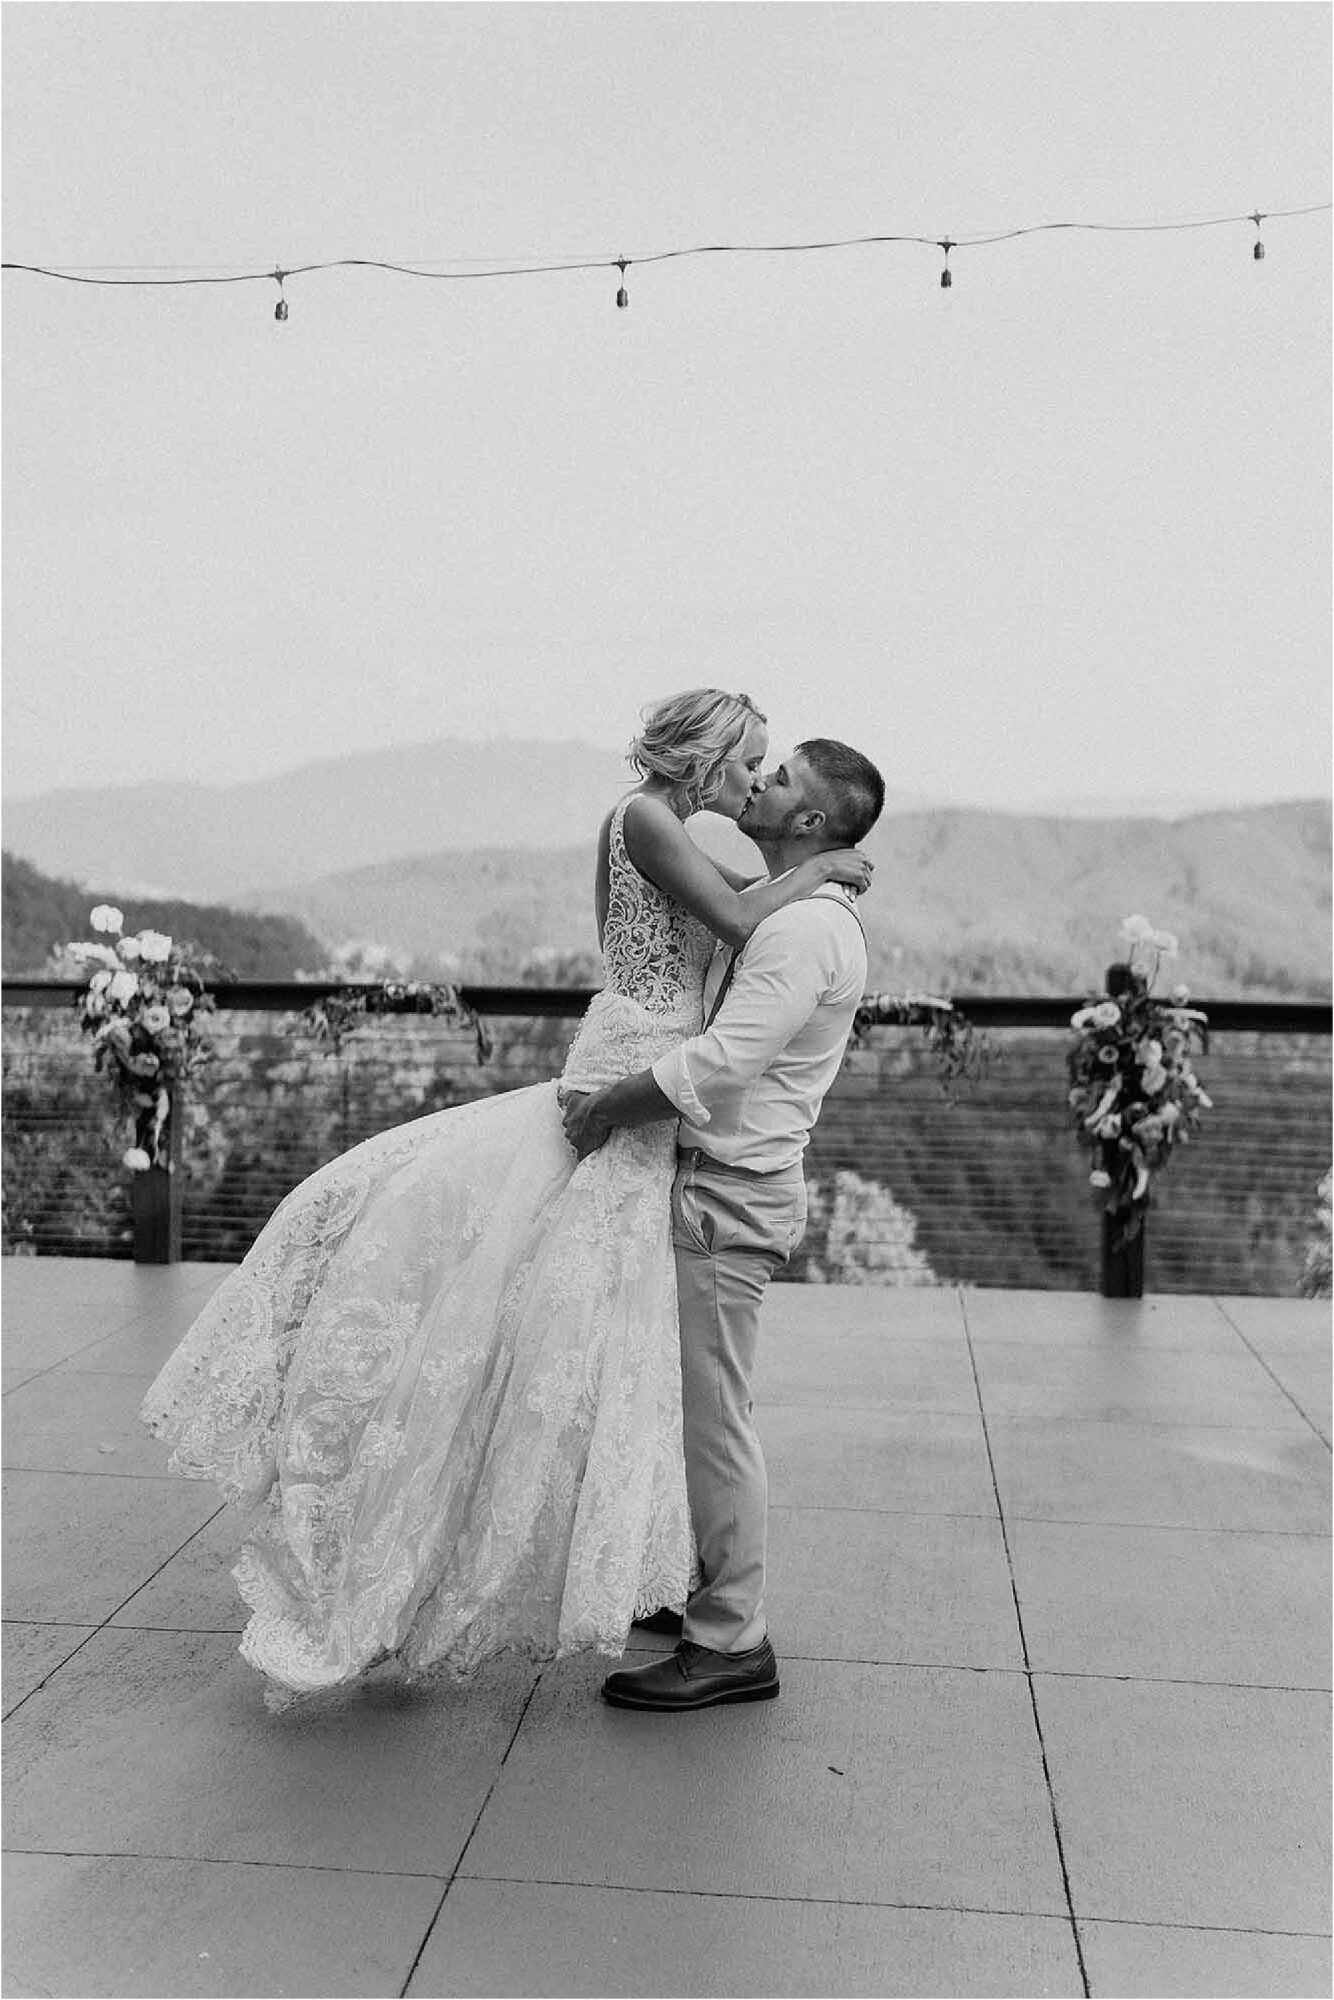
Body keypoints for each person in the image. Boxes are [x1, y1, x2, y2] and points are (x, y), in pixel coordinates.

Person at [140, 691, 872, 1707]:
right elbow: (746, 915)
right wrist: (824, 862)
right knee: (543, 1322)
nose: (757, 775)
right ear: (705, 755)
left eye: (774, 771)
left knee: (625, 1356)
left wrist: (812, 862)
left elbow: (750, 921)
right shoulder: (649, 819)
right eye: (751, 758)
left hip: (663, 1112)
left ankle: (691, 1597)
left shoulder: (727, 855)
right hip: (635, 1088)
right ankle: (671, 1594)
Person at [562, 738, 886, 1712]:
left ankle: (732, 1635)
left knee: (716, 1421)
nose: (760, 780)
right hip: (715, 1184)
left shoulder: (800, 933)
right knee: (691, 1403)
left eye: (779, 776)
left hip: (728, 1194)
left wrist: (603, 1106)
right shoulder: (785, 906)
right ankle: (703, 1587)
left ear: (812, 822)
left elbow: (720, 1062)